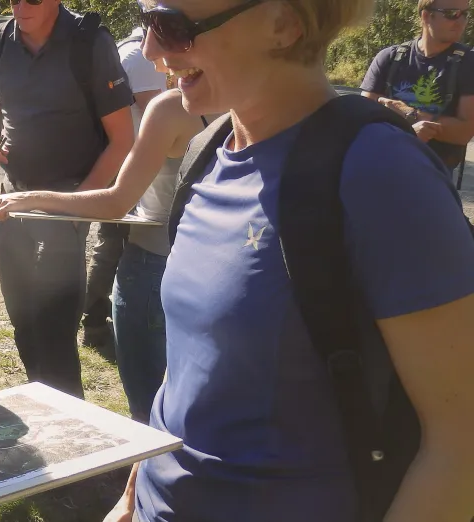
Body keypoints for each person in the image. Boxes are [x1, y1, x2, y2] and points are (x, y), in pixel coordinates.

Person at [93, 0, 471, 521]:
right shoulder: (207, 152)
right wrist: (133, 495)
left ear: (283, 24)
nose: (151, 48)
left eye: (172, 26)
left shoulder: (383, 172)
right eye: (146, 20)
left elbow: (459, 444)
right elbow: (189, 368)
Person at [0, 0, 134, 398]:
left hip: (66, 206)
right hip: (12, 203)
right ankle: (42, 405)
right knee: (24, 322)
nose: (20, 5)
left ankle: (72, 422)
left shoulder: (89, 41)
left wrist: (79, 207)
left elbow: (122, 139)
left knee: (55, 331)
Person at [81, 25, 172, 350]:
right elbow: (156, 114)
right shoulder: (141, 58)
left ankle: (97, 320)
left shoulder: (124, 49)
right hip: (132, 165)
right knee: (114, 246)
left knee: (111, 244)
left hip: (122, 159)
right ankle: (96, 321)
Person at [361, 0, 474, 171]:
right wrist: (411, 128)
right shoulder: (390, 58)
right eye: (452, 14)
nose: (461, 21)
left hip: (433, 173)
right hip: (380, 163)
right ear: (426, 16)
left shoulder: (468, 63)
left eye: (465, 14)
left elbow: (464, 132)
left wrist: (409, 114)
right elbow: (363, 116)